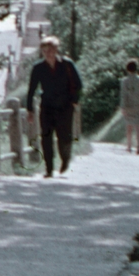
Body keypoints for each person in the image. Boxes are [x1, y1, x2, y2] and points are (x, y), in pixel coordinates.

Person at [26, 36, 82, 178]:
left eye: (51, 50)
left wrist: (74, 101)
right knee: (46, 137)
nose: (48, 53)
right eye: (45, 51)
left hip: (65, 106)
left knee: (64, 136)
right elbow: (32, 89)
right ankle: (49, 168)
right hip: (47, 107)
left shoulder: (67, 64)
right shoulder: (38, 68)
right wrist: (30, 109)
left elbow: (79, 84)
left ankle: (65, 159)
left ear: (56, 50)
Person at [120, 59, 139, 154]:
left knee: (129, 126)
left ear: (127, 69)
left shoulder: (124, 81)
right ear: (136, 69)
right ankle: (138, 147)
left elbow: (123, 95)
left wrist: (123, 107)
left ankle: (129, 146)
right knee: (138, 127)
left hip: (128, 106)